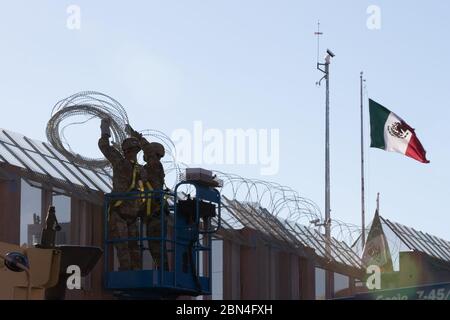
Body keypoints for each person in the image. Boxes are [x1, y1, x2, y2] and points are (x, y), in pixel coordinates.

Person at [99, 119, 145, 271]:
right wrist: (138, 136)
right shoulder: (141, 170)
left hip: (123, 214)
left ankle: (129, 275)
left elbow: (104, 146)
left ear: (125, 151)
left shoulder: (121, 163)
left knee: (126, 248)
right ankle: (132, 275)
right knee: (131, 249)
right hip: (129, 215)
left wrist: (105, 129)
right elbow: (151, 154)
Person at [127, 125, 169, 270]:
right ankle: (162, 271)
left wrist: (137, 137)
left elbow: (148, 152)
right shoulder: (149, 168)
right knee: (154, 246)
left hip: (155, 214)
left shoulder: (155, 165)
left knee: (156, 246)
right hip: (151, 213)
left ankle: (163, 272)